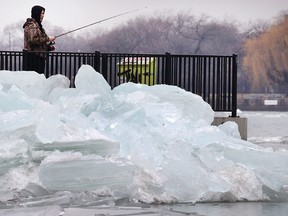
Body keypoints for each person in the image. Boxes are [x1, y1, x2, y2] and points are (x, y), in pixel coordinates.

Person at [23, 5, 56, 74]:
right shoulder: (31, 25)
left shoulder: (39, 26)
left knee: (39, 79)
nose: (43, 15)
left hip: (39, 57)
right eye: (41, 13)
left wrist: (48, 47)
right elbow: (33, 40)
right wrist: (48, 38)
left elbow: (41, 41)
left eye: (43, 13)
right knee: (34, 80)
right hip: (32, 58)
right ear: (36, 13)